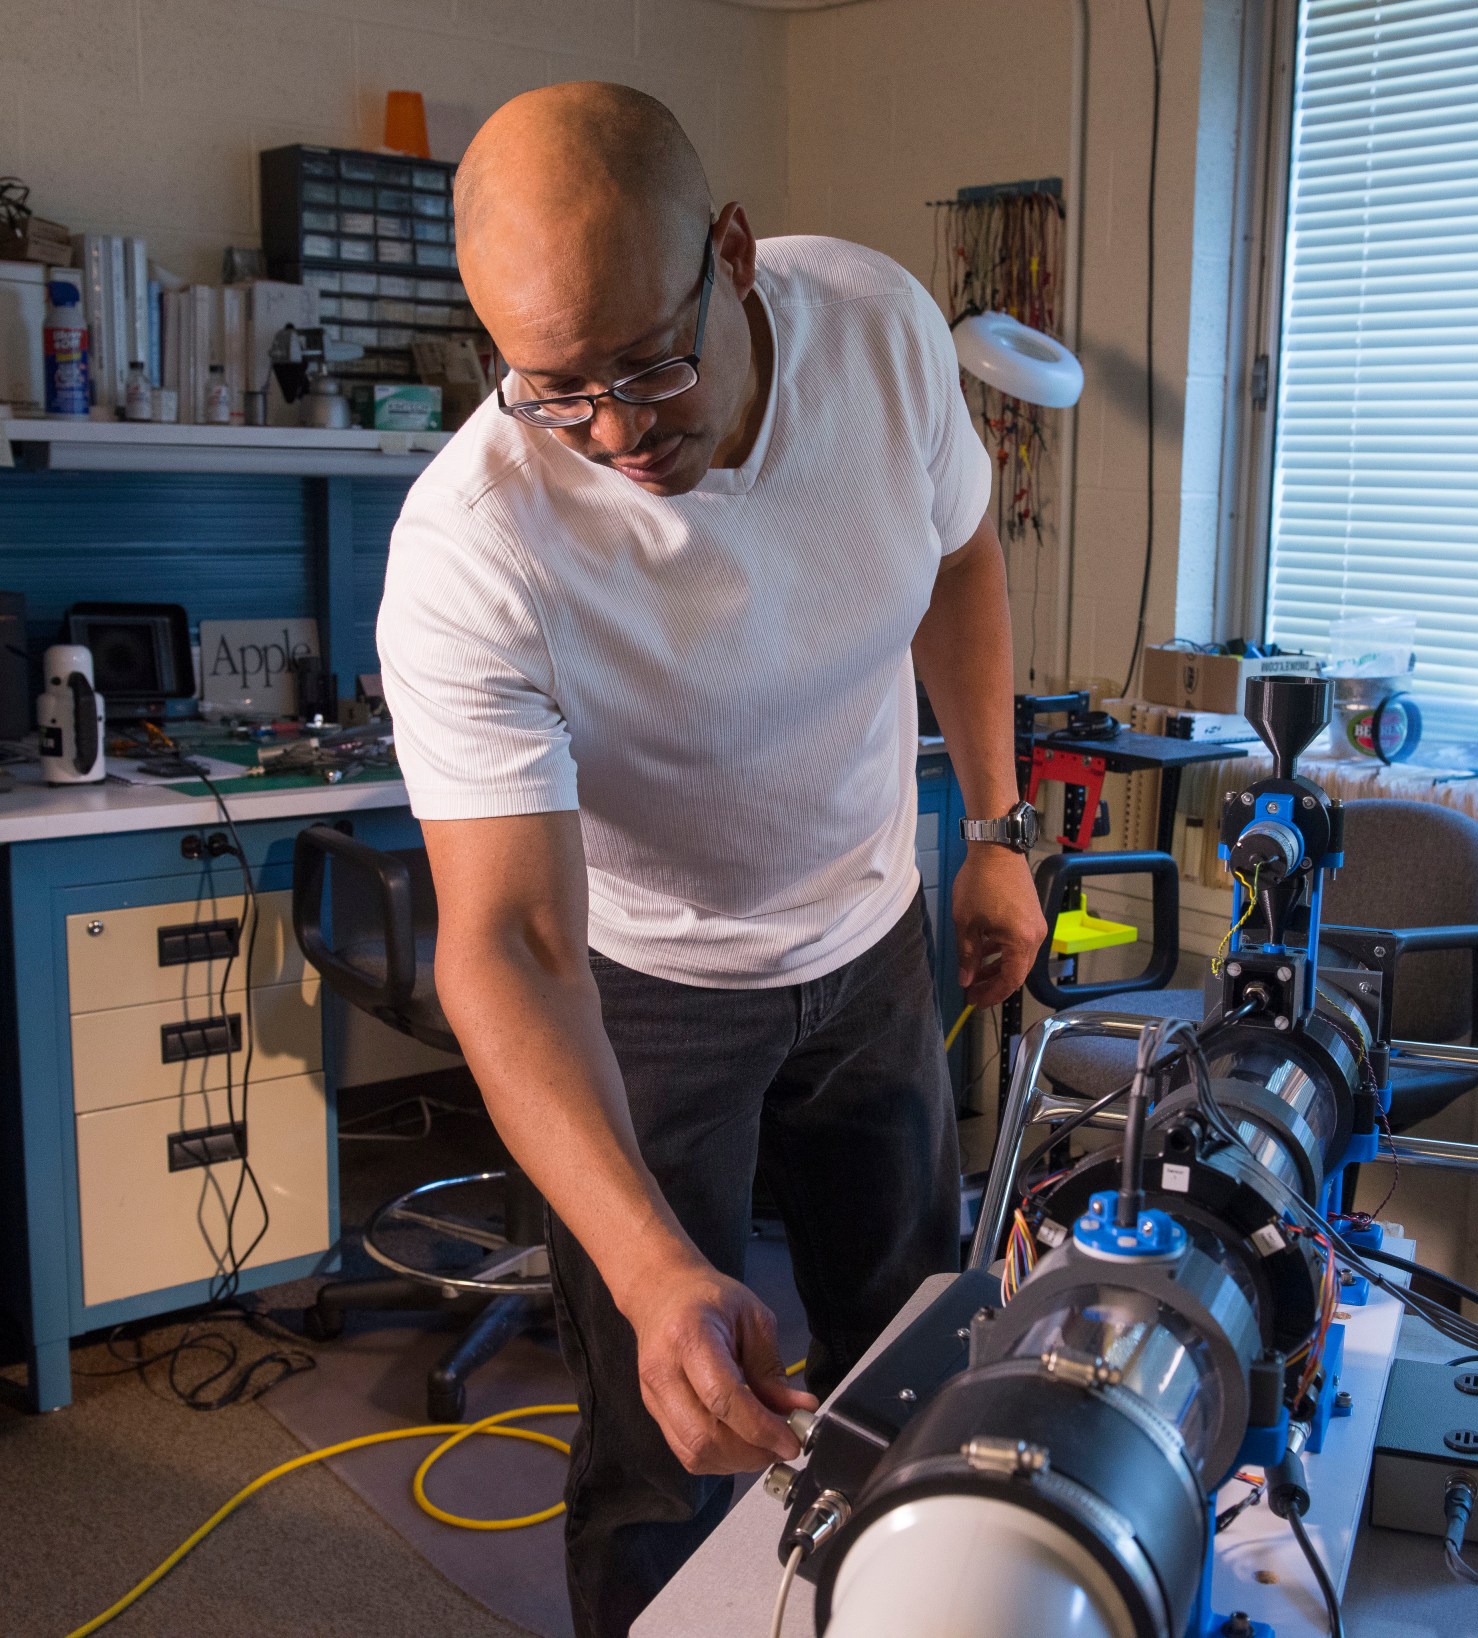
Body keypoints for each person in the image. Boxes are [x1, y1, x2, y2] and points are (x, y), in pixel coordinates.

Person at [376, 81, 1047, 1637]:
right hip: (652, 989)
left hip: (873, 948)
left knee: (914, 1363)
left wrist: (998, 830)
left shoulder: (875, 328)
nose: (615, 430)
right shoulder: (474, 547)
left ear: (734, 253)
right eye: (555, 389)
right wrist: (646, 1262)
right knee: (662, 1439)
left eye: (647, 364)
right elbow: (509, 946)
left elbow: (958, 552)